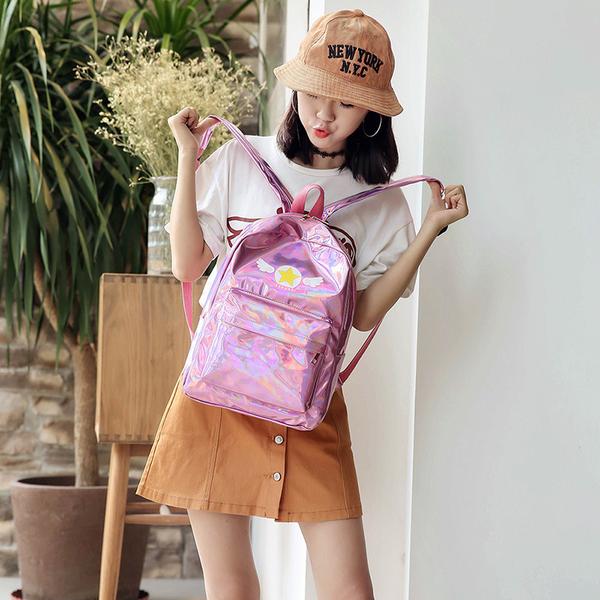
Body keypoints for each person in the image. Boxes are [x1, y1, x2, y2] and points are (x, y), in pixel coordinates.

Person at [136, 8, 468, 599]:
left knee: (349, 589)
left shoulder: (381, 202)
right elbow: (187, 266)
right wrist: (188, 156)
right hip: (219, 392)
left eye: (346, 102)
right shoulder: (240, 159)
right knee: (232, 589)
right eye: (313, 93)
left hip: (308, 400)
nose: (324, 114)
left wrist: (428, 232)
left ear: (372, 113)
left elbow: (363, 315)